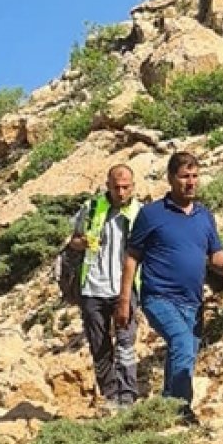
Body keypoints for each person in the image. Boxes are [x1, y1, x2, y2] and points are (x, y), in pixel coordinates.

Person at [117, 151, 223, 422]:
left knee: (183, 353)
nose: (191, 182)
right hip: (158, 297)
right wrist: (124, 300)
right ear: (171, 179)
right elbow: (131, 258)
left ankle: (166, 409)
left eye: (195, 176)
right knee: (182, 343)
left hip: (192, 302)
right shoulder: (151, 214)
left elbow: (214, 254)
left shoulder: (204, 216)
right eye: (185, 177)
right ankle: (183, 411)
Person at [66, 164, 142, 412]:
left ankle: (127, 397)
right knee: (99, 345)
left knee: (125, 343)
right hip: (93, 288)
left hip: (125, 288)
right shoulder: (91, 209)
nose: (121, 192)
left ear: (133, 186)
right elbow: (72, 240)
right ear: (107, 185)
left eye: (126, 187)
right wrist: (83, 242)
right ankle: (110, 396)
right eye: (116, 187)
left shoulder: (140, 213)